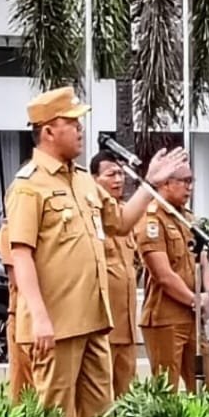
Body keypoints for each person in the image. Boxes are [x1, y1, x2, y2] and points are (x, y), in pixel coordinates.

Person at [5, 87, 186, 417]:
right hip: (56, 327)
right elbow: (21, 255)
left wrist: (150, 185)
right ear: (48, 131)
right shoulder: (29, 185)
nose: (80, 129)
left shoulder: (84, 182)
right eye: (72, 122)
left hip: (93, 323)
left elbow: (119, 222)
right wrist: (40, 317)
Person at [135, 160, 209, 393]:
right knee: (167, 392)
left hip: (193, 317)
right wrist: (193, 300)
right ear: (165, 183)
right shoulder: (153, 220)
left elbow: (203, 261)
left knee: (204, 388)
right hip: (165, 318)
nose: (189, 187)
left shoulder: (188, 218)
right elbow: (164, 275)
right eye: (184, 181)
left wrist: (208, 294)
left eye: (191, 181)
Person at [90, 150, 140, 397]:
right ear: (94, 179)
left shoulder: (126, 219)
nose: (118, 180)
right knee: (100, 399)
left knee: (127, 398)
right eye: (111, 174)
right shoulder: (92, 218)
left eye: (121, 173)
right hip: (103, 329)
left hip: (127, 329)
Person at [0, 222, 32, 398]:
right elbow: (18, 278)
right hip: (22, 315)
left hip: (55, 316)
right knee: (23, 389)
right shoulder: (10, 229)